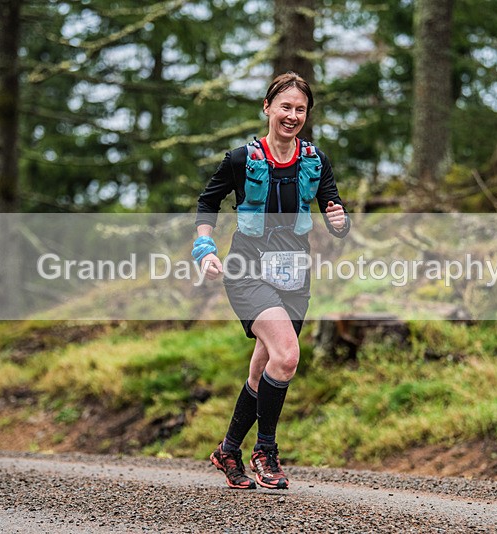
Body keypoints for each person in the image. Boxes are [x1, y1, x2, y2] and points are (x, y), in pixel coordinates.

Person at [193, 72, 350, 490]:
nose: (292, 115)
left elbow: (335, 213)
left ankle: (227, 450)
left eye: (300, 109)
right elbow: (208, 204)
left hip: (294, 277)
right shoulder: (241, 159)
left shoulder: (316, 161)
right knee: (287, 354)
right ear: (267, 107)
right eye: (285, 107)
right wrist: (204, 249)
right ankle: (266, 451)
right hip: (247, 272)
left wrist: (339, 220)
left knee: (266, 368)